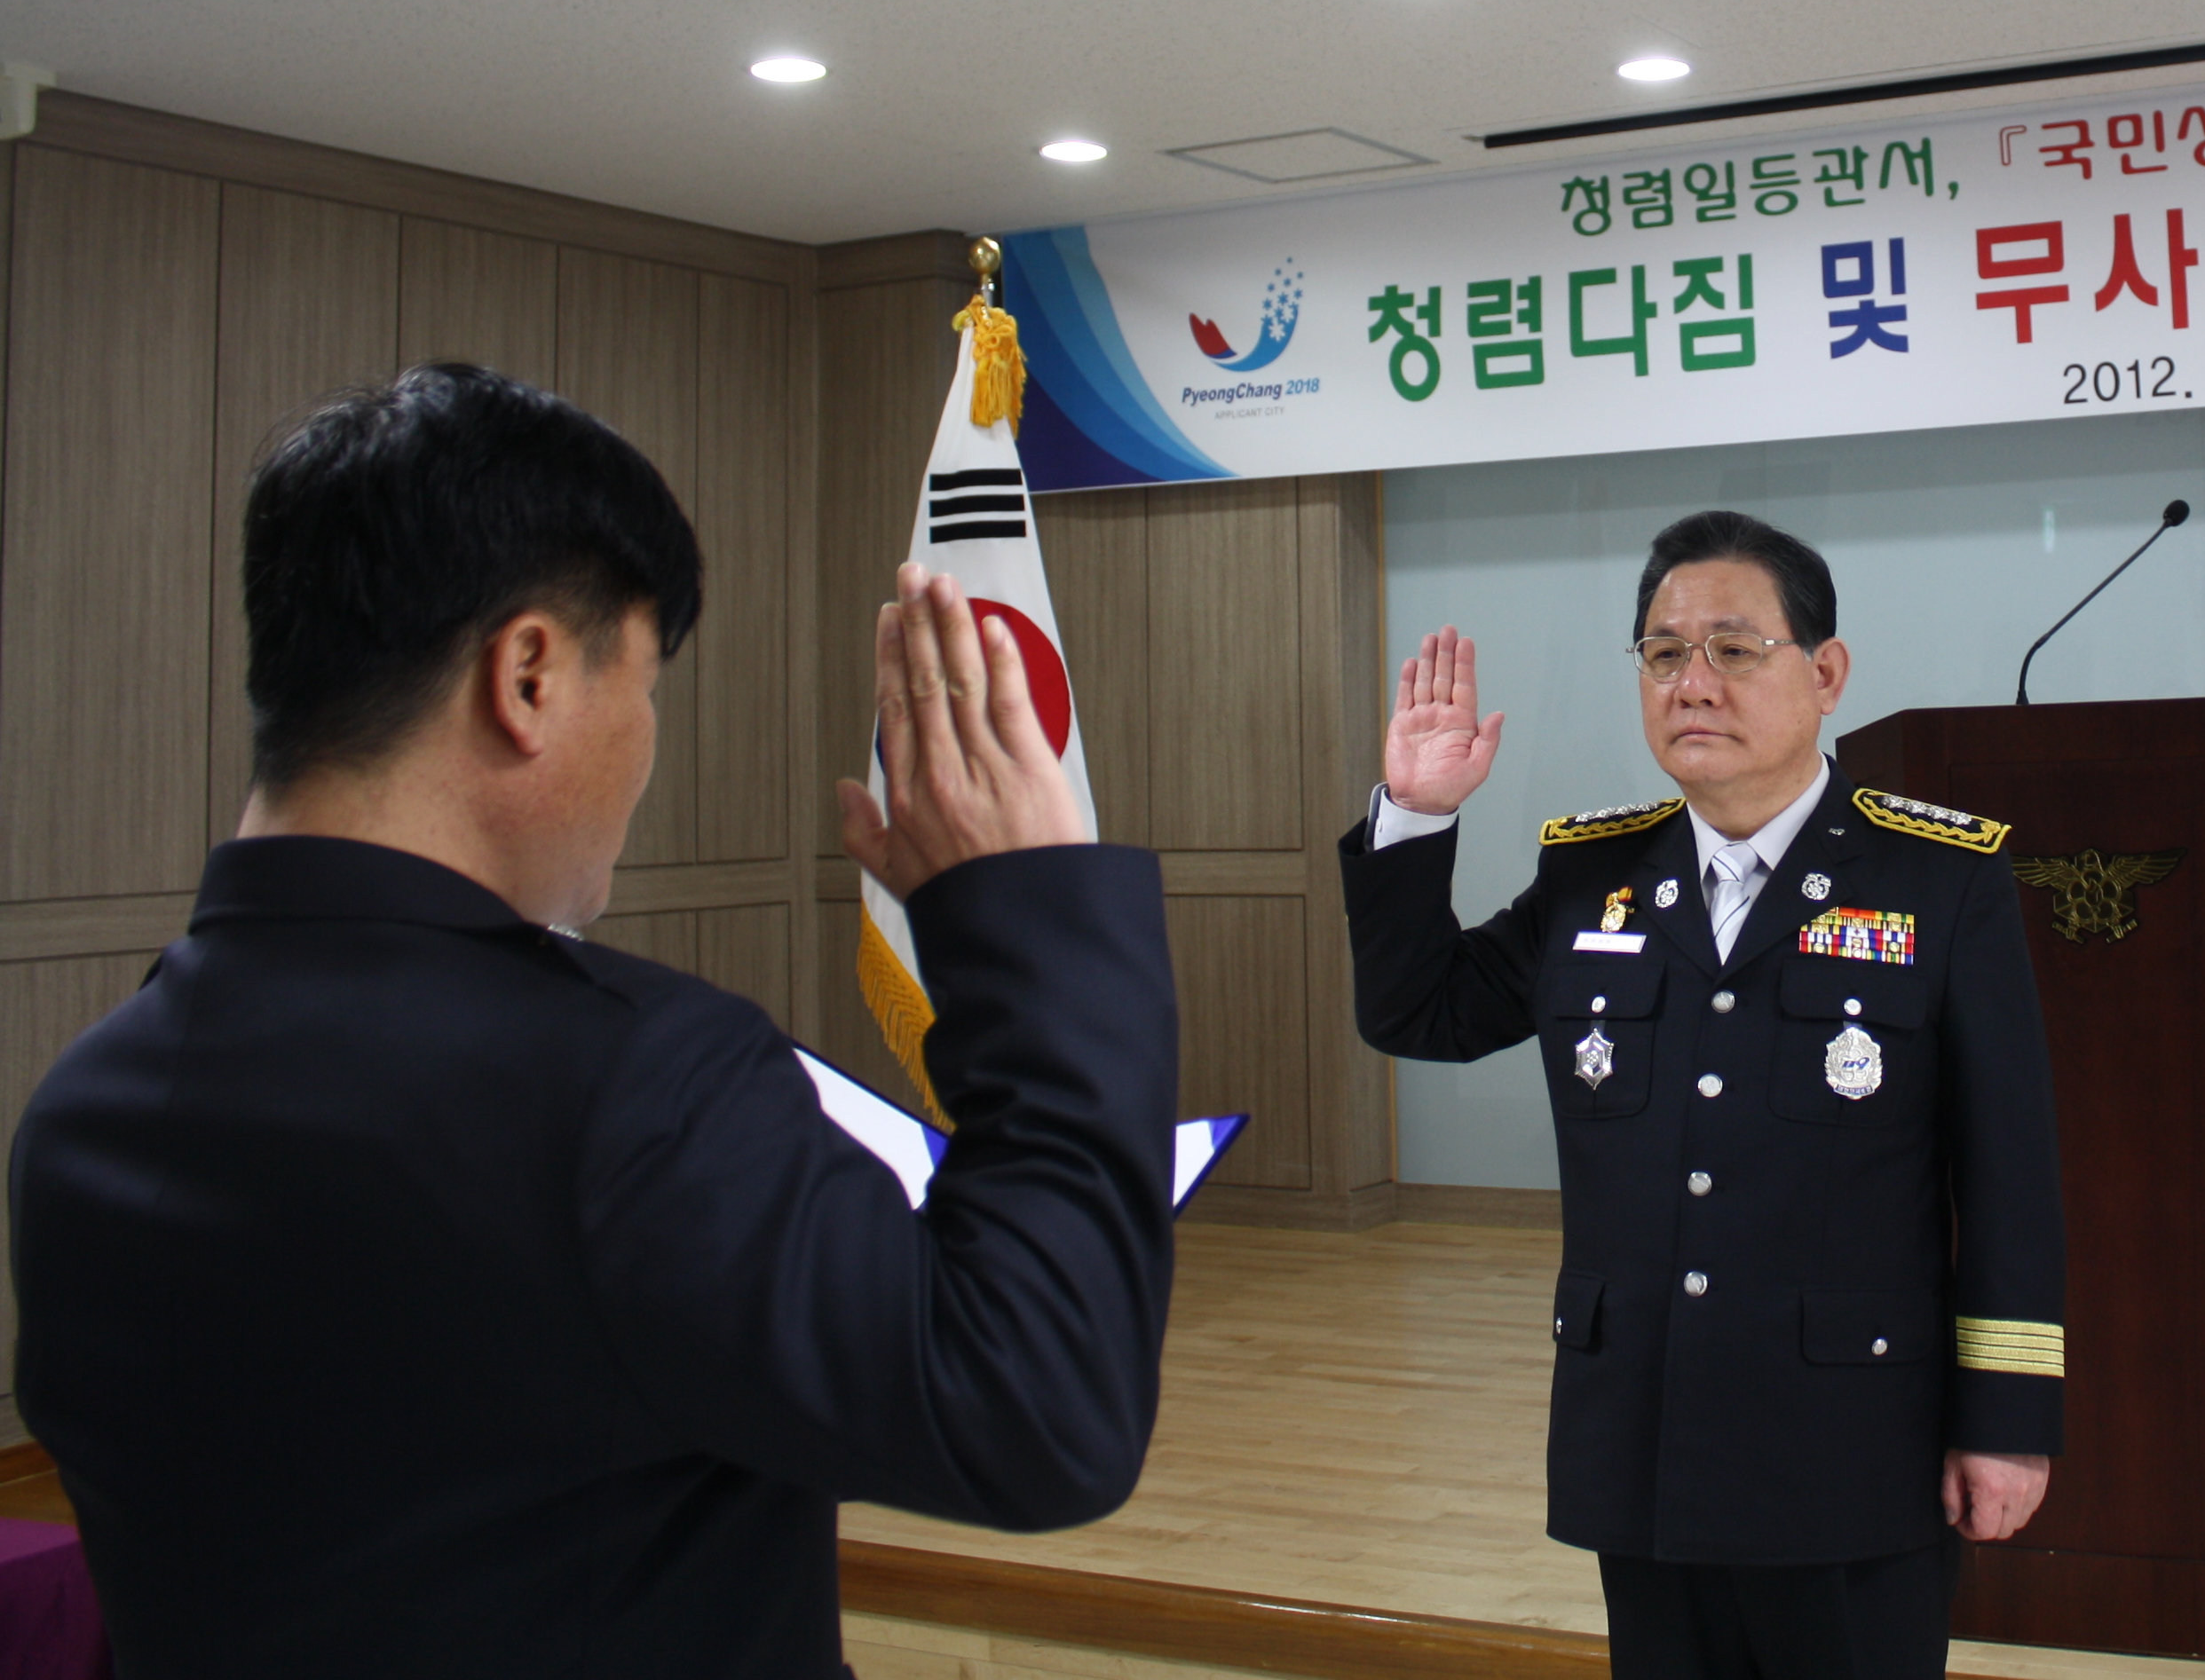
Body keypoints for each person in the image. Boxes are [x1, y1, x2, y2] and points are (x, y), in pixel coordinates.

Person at [9, 364, 1179, 1678]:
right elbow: (1041, 1410)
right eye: (645, 683)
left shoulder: (81, 1112)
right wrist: (1027, 922)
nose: (646, 740)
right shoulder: (632, 1089)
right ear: (529, 675)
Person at [1340, 509, 2066, 1680]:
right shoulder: (1594, 875)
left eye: (1735, 648)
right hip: (1646, 1439)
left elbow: (2010, 1179)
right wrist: (1419, 813)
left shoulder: (1938, 880)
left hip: (1849, 1447)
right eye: (1665, 653)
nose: (1693, 682)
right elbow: (1420, 1013)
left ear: (1825, 674)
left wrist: (2010, 1423)